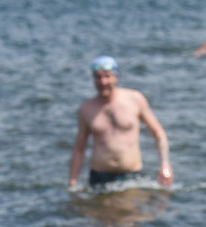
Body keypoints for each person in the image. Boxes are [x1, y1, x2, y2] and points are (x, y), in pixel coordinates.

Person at [68, 56, 173, 190]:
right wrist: (72, 180)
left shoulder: (135, 99)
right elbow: (79, 148)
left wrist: (165, 164)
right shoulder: (86, 109)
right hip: (99, 177)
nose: (103, 82)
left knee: (133, 210)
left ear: (116, 78)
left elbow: (158, 133)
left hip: (131, 176)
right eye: (98, 77)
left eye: (107, 76)